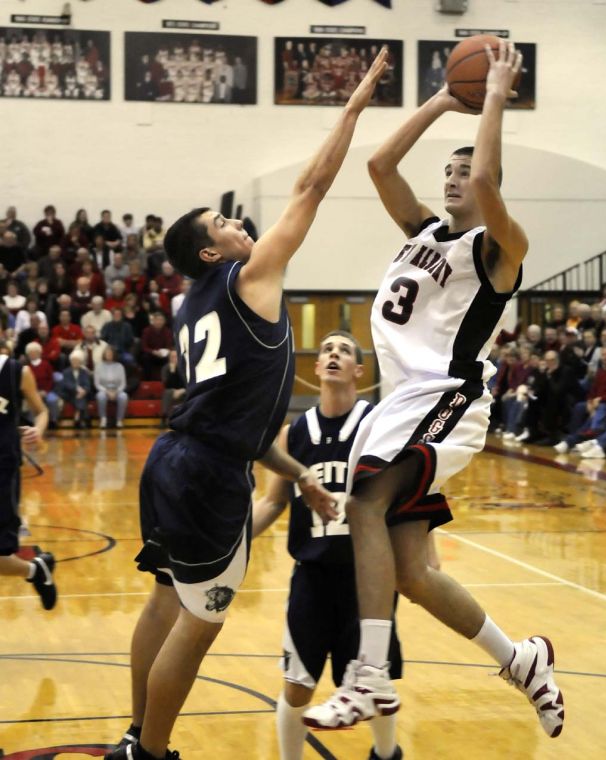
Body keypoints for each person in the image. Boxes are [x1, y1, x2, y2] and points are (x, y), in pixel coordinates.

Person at [104, 48, 389, 760]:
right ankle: (153, 752)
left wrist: (296, 477)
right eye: (223, 222)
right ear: (212, 253)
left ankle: (138, 735)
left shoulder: (186, 304)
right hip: (205, 475)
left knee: (166, 599)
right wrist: (353, 108)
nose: (237, 223)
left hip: (175, 457)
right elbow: (312, 186)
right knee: (202, 622)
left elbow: (239, 414)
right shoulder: (249, 276)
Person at [304, 41, 564, 741]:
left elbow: (485, 178)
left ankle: (368, 676)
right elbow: (379, 164)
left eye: (464, 174)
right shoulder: (421, 233)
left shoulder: (499, 247)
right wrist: (446, 98)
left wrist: (497, 98)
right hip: (401, 403)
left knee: (364, 501)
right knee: (415, 572)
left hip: (449, 397)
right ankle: (523, 660)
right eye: (445, 174)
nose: (455, 181)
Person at [252, 331, 410, 760]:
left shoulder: (377, 425)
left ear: (359, 370)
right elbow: (271, 501)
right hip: (313, 575)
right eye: (327, 350)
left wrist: (421, 558)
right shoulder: (293, 433)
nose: (334, 354)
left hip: (369, 580)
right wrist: (233, 539)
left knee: (371, 679)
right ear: (317, 369)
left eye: (344, 350)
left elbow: (405, 496)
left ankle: (386, 753)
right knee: (297, 683)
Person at [0, 338, 56, 608]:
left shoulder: (15, 371)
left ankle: (34, 571)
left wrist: (38, 429)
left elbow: (42, 411)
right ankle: (36, 570)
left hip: (3, 470)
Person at [94, 345, 128, 429]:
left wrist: (116, 391)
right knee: (100, 396)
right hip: (104, 390)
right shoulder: (98, 366)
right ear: (104, 355)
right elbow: (97, 384)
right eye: (107, 353)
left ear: (114, 355)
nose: (109, 355)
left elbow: (123, 383)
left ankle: (119, 420)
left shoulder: (120, 366)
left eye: (110, 353)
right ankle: (103, 419)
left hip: (116, 390)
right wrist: (107, 391)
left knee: (123, 396)